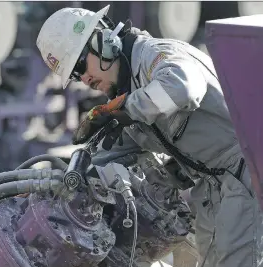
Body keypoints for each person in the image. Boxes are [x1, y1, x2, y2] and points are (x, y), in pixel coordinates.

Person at [36, 5, 263, 267]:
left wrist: (121, 109)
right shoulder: (129, 96)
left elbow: (184, 88)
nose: (84, 78)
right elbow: (111, 157)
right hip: (215, 186)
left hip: (247, 170)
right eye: (75, 75)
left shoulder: (153, 56)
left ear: (103, 40)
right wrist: (58, 187)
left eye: (79, 64)